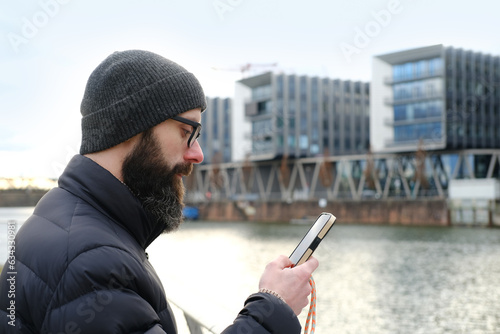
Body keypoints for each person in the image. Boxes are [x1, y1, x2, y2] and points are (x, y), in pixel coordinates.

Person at [0, 50, 319, 333]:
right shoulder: (94, 266)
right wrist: (273, 310)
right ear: (130, 126)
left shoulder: (58, 213)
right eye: (186, 132)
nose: (198, 154)